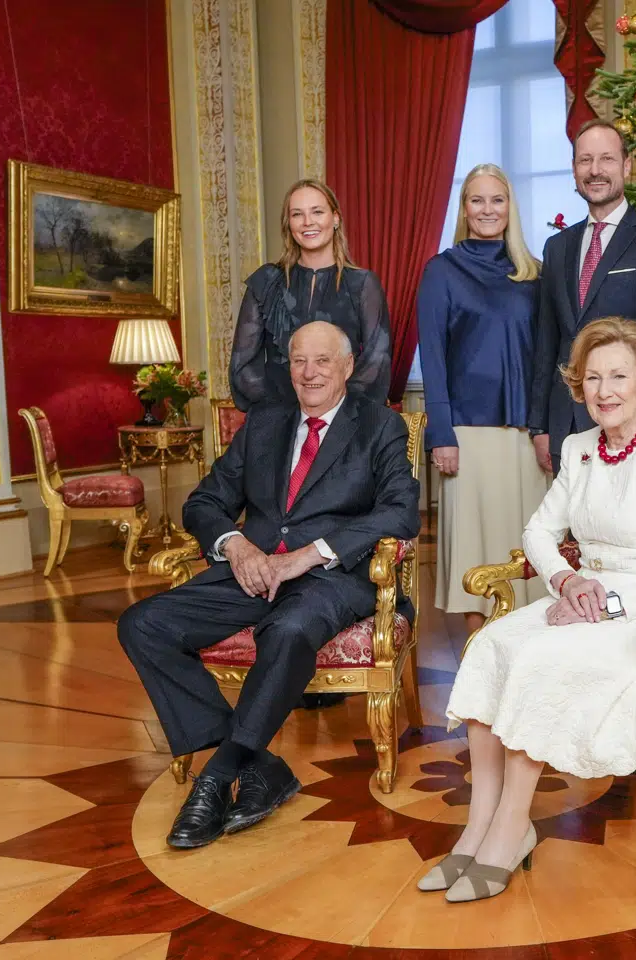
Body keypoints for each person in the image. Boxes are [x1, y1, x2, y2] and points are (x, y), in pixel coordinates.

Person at [424, 318, 636, 904]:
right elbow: (537, 532)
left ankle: (511, 829)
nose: (604, 390)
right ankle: (478, 825)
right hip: (584, 591)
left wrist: (604, 601)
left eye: (619, 377)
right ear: (578, 386)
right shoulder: (580, 449)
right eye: (592, 378)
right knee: (491, 645)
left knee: (538, 659)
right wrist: (564, 578)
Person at [118, 321, 420, 850]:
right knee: (143, 624)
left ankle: (217, 776)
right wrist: (236, 546)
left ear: (347, 367)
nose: (309, 373)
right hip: (250, 569)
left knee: (286, 630)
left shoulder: (379, 426)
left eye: (323, 361)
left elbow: (400, 513)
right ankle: (263, 765)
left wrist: (307, 557)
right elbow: (204, 502)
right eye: (299, 360)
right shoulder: (265, 422)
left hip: (331, 576)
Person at [417, 164, 550, 637]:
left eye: (498, 199)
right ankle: (481, 662)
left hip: (527, 435)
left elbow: (546, 358)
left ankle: (532, 665)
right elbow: (432, 358)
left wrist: (544, 427)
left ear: (510, 206)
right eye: (478, 200)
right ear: (464, 208)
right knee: (479, 555)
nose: (488, 209)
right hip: (468, 436)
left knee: (529, 551)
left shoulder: (533, 273)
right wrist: (441, 435)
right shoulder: (442, 271)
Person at [530, 120, 636, 475]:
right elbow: (546, 342)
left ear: (626, 166)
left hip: (631, 423)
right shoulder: (557, 247)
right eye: (585, 161)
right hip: (565, 425)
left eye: (606, 159)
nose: (595, 170)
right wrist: (539, 424)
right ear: (574, 169)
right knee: (569, 530)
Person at [229, 179, 392, 409]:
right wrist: (287, 413)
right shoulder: (266, 281)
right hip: (275, 420)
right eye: (297, 214)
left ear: (335, 218)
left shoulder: (363, 284)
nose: (307, 222)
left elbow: (377, 362)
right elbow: (242, 366)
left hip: (345, 421)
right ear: (289, 224)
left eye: (317, 211)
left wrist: (330, 413)